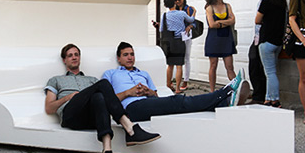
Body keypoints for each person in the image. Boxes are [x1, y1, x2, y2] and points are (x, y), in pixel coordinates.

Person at [44, 44, 161, 153]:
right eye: (70, 55)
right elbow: (49, 108)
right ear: (64, 60)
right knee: (103, 84)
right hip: (71, 116)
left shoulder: (91, 80)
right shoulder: (56, 80)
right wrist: (68, 97)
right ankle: (130, 128)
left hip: (91, 118)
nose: (74, 57)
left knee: (99, 97)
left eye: (76, 54)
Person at [102, 42, 250, 123]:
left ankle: (224, 104)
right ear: (119, 58)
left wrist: (149, 92)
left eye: (132, 54)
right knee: (178, 100)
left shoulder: (143, 74)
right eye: (126, 55)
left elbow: (156, 97)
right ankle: (225, 92)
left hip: (147, 104)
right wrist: (129, 92)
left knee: (177, 102)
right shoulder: (110, 74)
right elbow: (106, 100)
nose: (130, 58)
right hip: (131, 109)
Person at [255, 0, 287, 108]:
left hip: (266, 42)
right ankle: (269, 99)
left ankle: (274, 99)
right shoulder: (282, 2)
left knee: (270, 72)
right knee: (271, 72)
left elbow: (257, 20)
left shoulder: (266, 1)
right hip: (278, 42)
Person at [204, 0, 237, 92]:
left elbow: (233, 20)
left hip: (227, 39)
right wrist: (226, 22)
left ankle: (237, 90)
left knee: (230, 67)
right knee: (213, 66)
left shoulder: (228, 6)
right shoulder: (209, 8)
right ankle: (212, 92)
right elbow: (212, 24)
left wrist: (220, 22)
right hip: (214, 40)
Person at [160, 0, 194, 94]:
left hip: (169, 42)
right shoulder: (182, 13)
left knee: (170, 65)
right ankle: (178, 88)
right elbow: (191, 20)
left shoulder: (164, 16)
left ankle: (168, 85)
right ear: (174, 3)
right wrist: (194, 12)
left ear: (166, 5)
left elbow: (161, 29)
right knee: (179, 65)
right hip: (179, 41)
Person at [248, 0, 267, 103]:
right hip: (257, 38)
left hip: (264, 39)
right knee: (254, 66)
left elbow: (259, 20)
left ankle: (259, 97)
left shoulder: (267, 1)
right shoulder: (261, 1)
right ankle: (257, 93)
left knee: (259, 68)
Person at [174, 0, 197, 91]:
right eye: (175, 0)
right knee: (177, 59)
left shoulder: (189, 9)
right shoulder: (174, 9)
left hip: (186, 36)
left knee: (186, 58)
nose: (177, 2)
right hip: (177, 37)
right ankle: (177, 80)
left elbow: (194, 22)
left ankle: (185, 80)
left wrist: (190, 26)